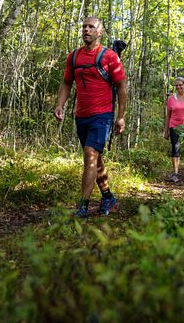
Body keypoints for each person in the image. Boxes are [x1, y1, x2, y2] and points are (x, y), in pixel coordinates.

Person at [54, 17, 127, 217]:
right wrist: (60, 104)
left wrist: (121, 116)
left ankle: (83, 207)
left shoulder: (110, 57)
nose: (86, 30)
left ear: (100, 32)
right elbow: (67, 83)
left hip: (102, 115)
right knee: (96, 159)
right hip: (81, 116)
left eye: (91, 27)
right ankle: (108, 196)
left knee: (90, 155)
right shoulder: (74, 57)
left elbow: (121, 87)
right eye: (84, 27)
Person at [163, 77, 184, 183]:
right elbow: (168, 116)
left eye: (180, 85)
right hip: (175, 127)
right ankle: (175, 173)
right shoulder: (171, 99)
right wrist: (166, 130)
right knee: (175, 148)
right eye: (176, 85)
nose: (178, 87)